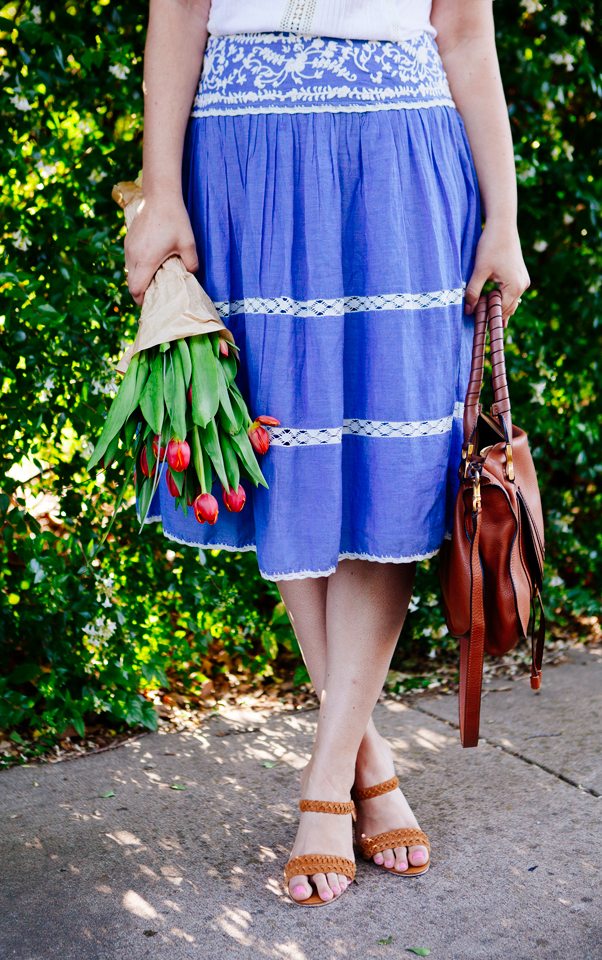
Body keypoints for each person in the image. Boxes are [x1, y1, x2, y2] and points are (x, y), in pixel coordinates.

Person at [125, 0, 529, 906]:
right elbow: (180, 10)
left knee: (389, 472)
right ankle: (366, 762)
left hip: (399, 159)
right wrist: (161, 191)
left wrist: (502, 219)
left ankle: (328, 783)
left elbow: (466, 33)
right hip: (245, 157)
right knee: (290, 460)